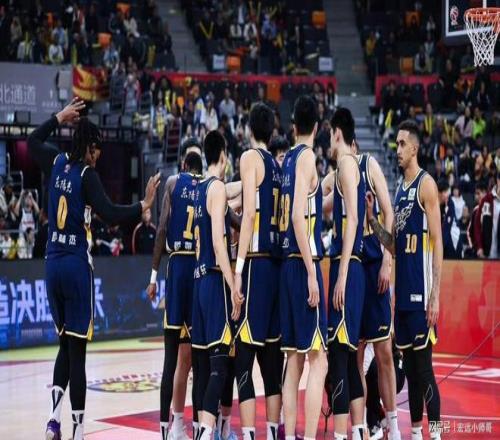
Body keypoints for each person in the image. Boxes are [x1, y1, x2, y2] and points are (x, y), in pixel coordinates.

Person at [27, 98, 160, 440]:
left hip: (51, 265)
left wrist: (58, 117)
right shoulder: (86, 176)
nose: (98, 157)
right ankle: (78, 430)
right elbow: (111, 213)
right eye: (97, 150)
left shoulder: (56, 162)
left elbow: (32, 140)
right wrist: (143, 204)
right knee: (78, 352)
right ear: (89, 147)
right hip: (75, 265)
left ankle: (53, 421)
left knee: (64, 344)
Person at [367, 120, 442, 440]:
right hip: (402, 299)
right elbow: (394, 246)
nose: (396, 149)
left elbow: (438, 242)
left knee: (424, 371)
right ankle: (415, 433)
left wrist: (435, 295)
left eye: (401, 144)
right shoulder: (399, 190)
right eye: (396, 144)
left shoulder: (427, 185)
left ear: (414, 148)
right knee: (410, 372)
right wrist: (372, 221)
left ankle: (436, 434)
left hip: (422, 296)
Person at [231, 103, 283, 440]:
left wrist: (238, 269)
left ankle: (249, 434)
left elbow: (249, 213)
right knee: (272, 363)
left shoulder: (250, 158)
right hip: (277, 268)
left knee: (243, 361)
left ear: (249, 129)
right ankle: (274, 432)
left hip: (258, 263)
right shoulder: (277, 166)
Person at [279, 95, 328, 440]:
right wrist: (312, 273)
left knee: (293, 361)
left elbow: (304, 208)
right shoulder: (308, 157)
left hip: (287, 265)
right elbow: (299, 216)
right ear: (318, 126)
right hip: (302, 263)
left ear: (293, 125)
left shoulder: (287, 160)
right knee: (318, 359)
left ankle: (290, 433)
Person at [146, 149, 203, 440]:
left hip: (177, 267)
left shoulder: (172, 183)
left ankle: (165, 430)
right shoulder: (206, 187)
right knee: (200, 358)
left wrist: (153, 277)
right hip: (199, 269)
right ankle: (201, 427)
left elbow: (162, 229)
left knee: (170, 360)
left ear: (183, 165)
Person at [323, 108, 366, 440]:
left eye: (329, 134)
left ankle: (341, 435)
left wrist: (342, 273)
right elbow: (324, 205)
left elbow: (352, 218)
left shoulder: (348, 164)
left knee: (339, 357)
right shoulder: (343, 169)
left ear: (337, 133)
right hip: (348, 266)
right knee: (349, 359)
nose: (327, 140)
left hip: (347, 266)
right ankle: (360, 430)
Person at [354, 146, 401, 439]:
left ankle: (394, 427)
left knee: (384, 351)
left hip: (375, 266)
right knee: (356, 356)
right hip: (353, 267)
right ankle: (361, 426)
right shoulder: (336, 175)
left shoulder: (368, 164)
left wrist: (387, 260)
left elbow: (389, 211)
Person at [191, 131, 235, 440]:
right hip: (214, 280)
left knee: (204, 369)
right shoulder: (217, 187)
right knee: (220, 367)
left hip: (198, 283)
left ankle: (202, 429)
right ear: (222, 155)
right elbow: (219, 244)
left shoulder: (200, 189)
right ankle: (206, 433)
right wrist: (233, 286)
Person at [474, 171, 500, 259]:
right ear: (498, 181)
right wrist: (479, 247)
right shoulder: (486, 200)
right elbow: (477, 225)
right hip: (487, 253)